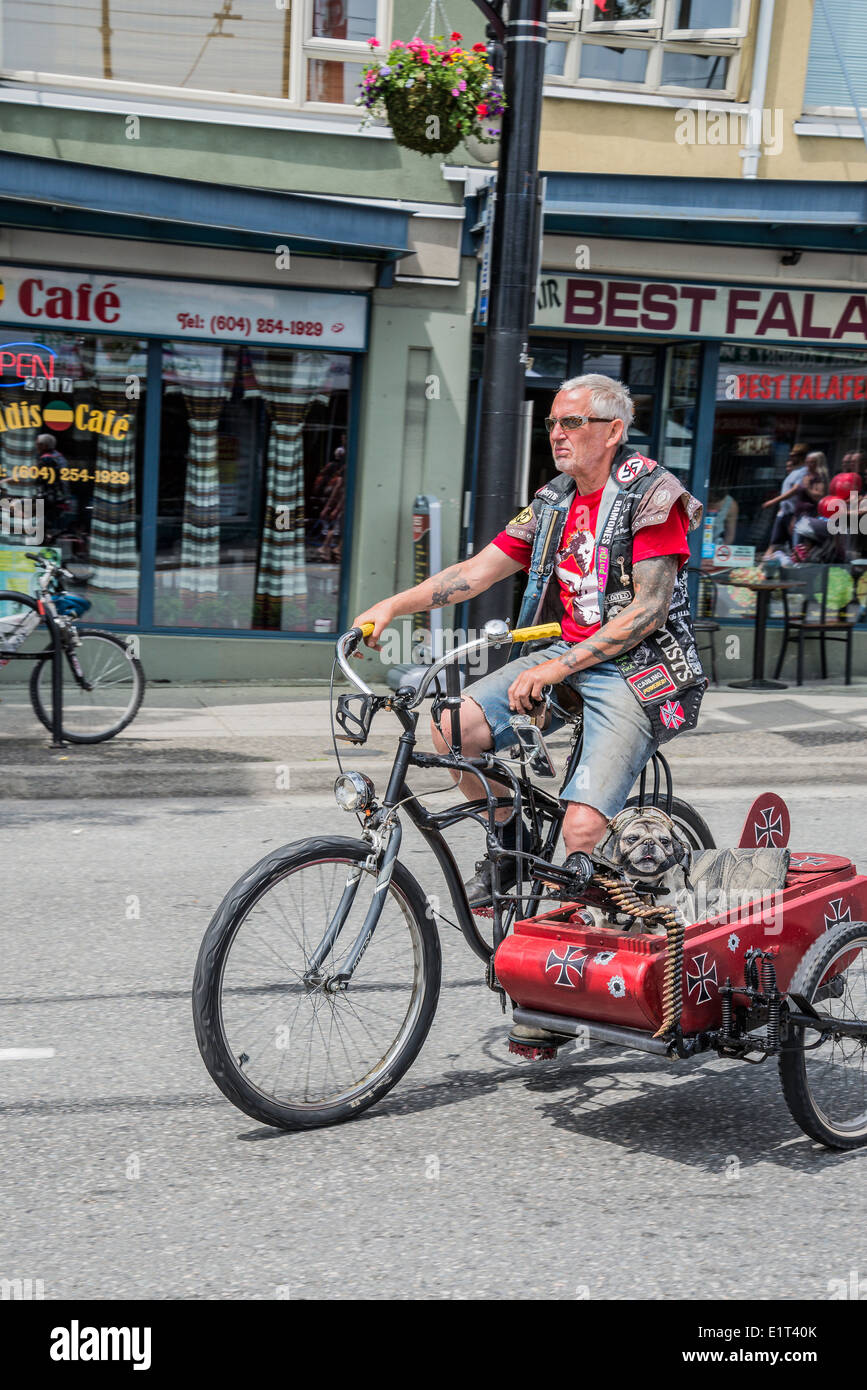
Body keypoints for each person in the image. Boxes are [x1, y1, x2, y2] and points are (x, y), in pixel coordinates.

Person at [352, 373, 706, 910]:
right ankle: (512, 842)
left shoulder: (652, 496)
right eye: (552, 424)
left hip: (639, 668)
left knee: (582, 831)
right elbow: (476, 572)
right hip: (568, 658)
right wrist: (392, 606)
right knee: (453, 731)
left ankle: (602, 946)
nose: (557, 434)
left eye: (572, 422)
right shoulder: (553, 502)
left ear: (613, 431)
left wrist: (556, 670)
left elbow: (648, 610)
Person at [762, 443, 809, 555]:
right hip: (784, 513)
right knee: (774, 544)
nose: (791, 457)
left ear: (801, 456)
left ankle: (796, 570)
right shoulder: (794, 472)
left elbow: (794, 491)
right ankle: (760, 569)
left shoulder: (804, 472)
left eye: (794, 455)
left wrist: (773, 501)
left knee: (795, 547)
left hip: (794, 515)